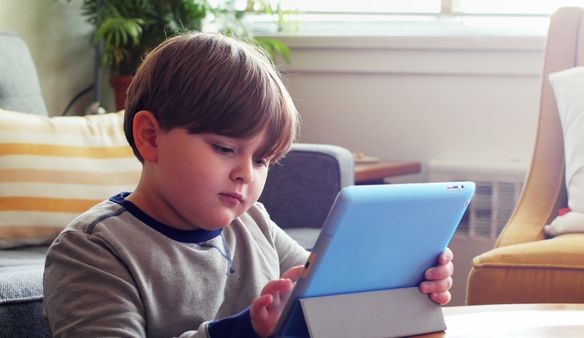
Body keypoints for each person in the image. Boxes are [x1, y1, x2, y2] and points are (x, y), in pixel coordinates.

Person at [43, 32, 455, 338]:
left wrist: (405, 277)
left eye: (262, 160)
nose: (246, 173)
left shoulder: (253, 222)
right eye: (224, 148)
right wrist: (239, 333)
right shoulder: (94, 248)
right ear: (151, 137)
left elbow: (319, 286)